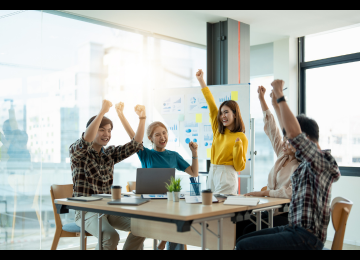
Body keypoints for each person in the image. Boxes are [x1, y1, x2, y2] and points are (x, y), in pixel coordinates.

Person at [236, 79, 341, 250]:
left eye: (291, 140)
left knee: (244, 246)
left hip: (305, 236)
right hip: (294, 229)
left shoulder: (320, 161)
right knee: (242, 240)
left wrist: (280, 95)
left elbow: (293, 133)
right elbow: (282, 131)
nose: (287, 142)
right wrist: (273, 103)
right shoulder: (305, 161)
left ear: (304, 139)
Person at [116, 102, 198, 250]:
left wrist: (194, 154)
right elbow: (132, 136)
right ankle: (162, 242)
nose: (162, 137)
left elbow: (194, 173)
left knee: (179, 223)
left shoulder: (173, 155)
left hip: (169, 203)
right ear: (150, 138)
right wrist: (121, 115)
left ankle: (164, 242)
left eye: (164, 133)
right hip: (149, 203)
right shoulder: (145, 153)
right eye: (157, 134)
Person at [69, 99, 147, 250]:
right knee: (111, 235)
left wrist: (142, 118)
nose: (107, 134)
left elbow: (136, 145)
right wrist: (102, 112)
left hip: (108, 208)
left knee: (142, 225)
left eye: (109, 130)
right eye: (102, 129)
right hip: (85, 211)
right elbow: (85, 141)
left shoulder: (109, 154)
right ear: (91, 129)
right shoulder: (77, 152)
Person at [236, 86, 301, 237]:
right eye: (284, 140)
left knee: (247, 230)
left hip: (286, 216)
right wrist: (262, 99)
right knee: (239, 223)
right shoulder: (282, 155)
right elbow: (273, 128)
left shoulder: (300, 166)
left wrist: (264, 192)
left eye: (288, 141)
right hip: (270, 210)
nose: (284, 143)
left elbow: (289, 193)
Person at [195, 69, 248, 194]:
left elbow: (239, 166)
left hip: (227, 174)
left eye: (226, 112)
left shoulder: (241, 137)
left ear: (235, 115)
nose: (223, 116)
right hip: (212, 171)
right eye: (221, 113)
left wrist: (237, 146)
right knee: (209, 207)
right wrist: (201, 80)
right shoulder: (218, 131)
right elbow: (211, 104)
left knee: (222, 210)